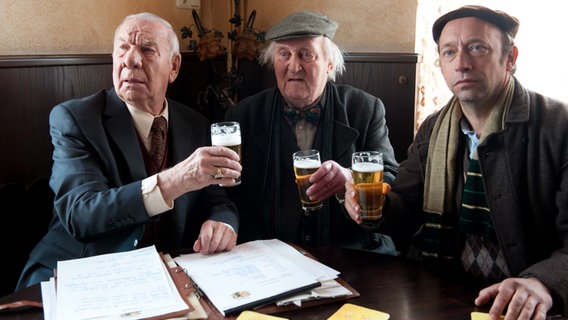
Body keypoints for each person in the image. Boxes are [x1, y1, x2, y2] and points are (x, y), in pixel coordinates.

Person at [343, 5, 568, 319]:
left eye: (477, 48)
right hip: (441, 291)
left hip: (522, 308)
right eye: (449, 53)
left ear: (511, 58)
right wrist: (376, 206)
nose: (462, 64)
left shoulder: (559, 126)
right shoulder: (434, 129)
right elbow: (404, 208)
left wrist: (543, 282)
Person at [15, 12, 242, 291]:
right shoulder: (76, 119)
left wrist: (222, 223)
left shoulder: (195, 124)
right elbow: (80, 213)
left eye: (147, 50)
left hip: (163, 276)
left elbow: (217, 197)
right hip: (78, 269)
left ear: (174, 66)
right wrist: (175, 180)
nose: (130, 60)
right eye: (123, 48)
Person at [224, 10, 399, 252]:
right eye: (284, 54)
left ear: (329, 65)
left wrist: (351, 180)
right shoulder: (243, 116)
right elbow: (224, 192)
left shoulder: (365, 109)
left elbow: (391, 178)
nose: (294, 66)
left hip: (352, 254)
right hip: (269, 257)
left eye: (306, 54)